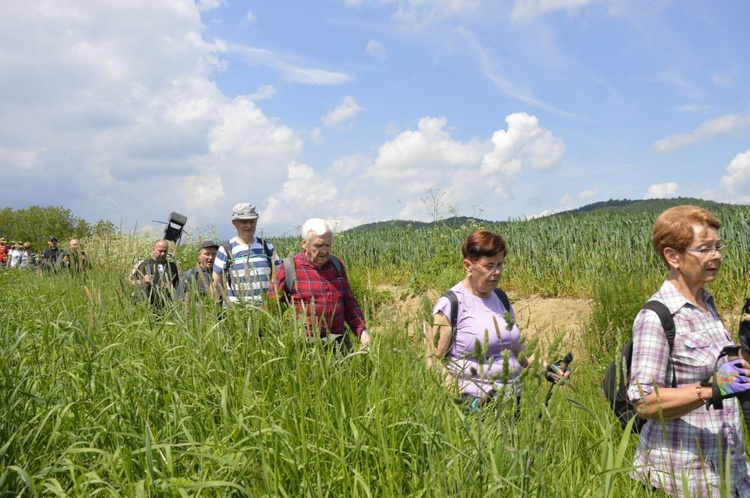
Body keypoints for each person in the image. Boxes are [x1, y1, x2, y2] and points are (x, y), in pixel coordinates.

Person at [628, 205, 750, 496]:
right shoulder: (656, 315)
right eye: (705, 248)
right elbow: (644, 401)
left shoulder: (707, 305)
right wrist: (709, 390)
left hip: (727, 468)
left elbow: (733, 375)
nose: (716, 255)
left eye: (718, 247)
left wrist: (747, 344)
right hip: (681, 478)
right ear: (673, 257)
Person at [426, 229, 568, 412]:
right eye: (489, 265)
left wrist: (548, 368)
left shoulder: (501, 298)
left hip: (512, 401)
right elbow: (432, 360)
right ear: (468, 265)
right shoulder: (451, 304)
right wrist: (463, 398)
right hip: (474, 408)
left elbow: (515, 347)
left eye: (500, 264)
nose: (497, 272)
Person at [268, 218, 370, 350]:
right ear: (304, 244)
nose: (324, 251)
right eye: (318, 246)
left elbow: (349, 303)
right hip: (305, 348)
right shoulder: (289, 268)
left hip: (339, 344)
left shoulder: (336, 265)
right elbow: (270, 307)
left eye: (328, 245)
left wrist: (363, 333)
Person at [212, 203, 281, 306]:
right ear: (234, 223)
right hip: (236, 313)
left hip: (265, 311)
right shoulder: (226, 249)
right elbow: (216, 283)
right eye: (244, 222)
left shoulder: (267, 247)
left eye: (252, 221)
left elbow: (278, 276)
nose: (248, 225)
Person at [130, 239, 179, 311]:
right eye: (160, 251)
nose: (162, 254)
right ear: (153, 250)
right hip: (148, 306)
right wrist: (143, 281)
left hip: (167, 307)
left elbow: (178, 285)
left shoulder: (172, 266)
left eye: (165, 251)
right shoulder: (144, 264)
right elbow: (130, 282)